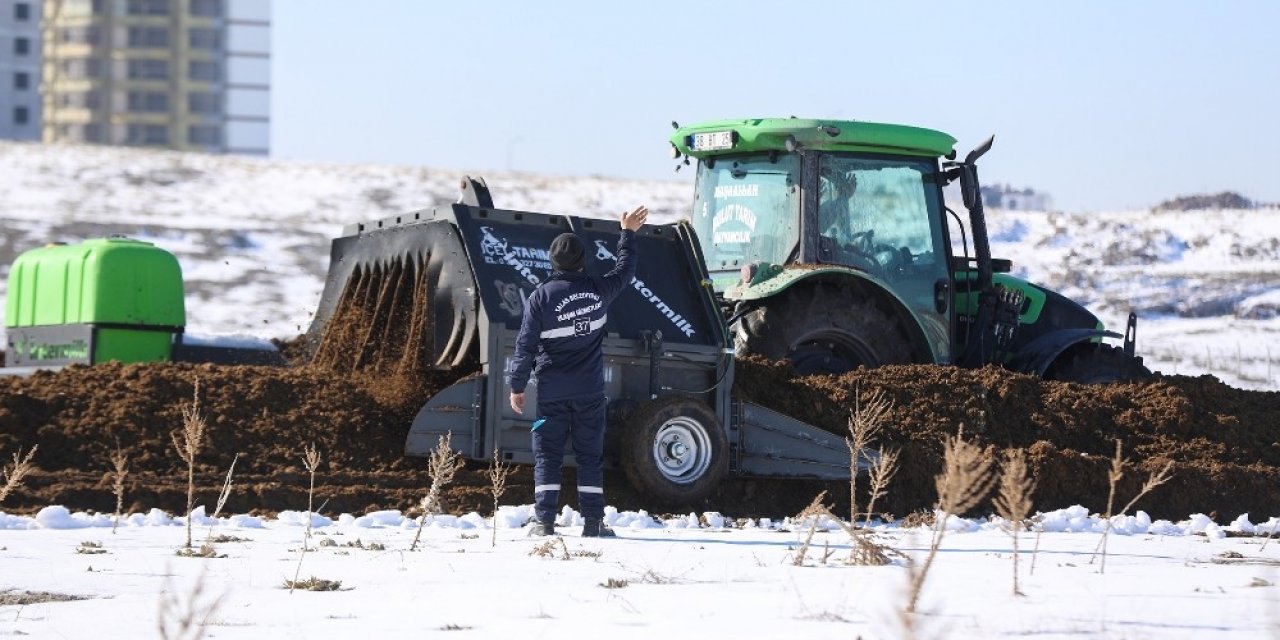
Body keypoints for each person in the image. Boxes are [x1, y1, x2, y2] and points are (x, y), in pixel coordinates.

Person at [507, 205, 649, 537]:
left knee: (547, 455)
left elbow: (525, 345)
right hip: (589, 393)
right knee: (590, 456)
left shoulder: (540, 298)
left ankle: (544, 522)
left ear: (553, 262)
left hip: (551, 395)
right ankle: (593, 523)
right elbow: (625, 270)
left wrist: (517, 385)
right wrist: (627, 233)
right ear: (583, 261)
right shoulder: (599, 291)